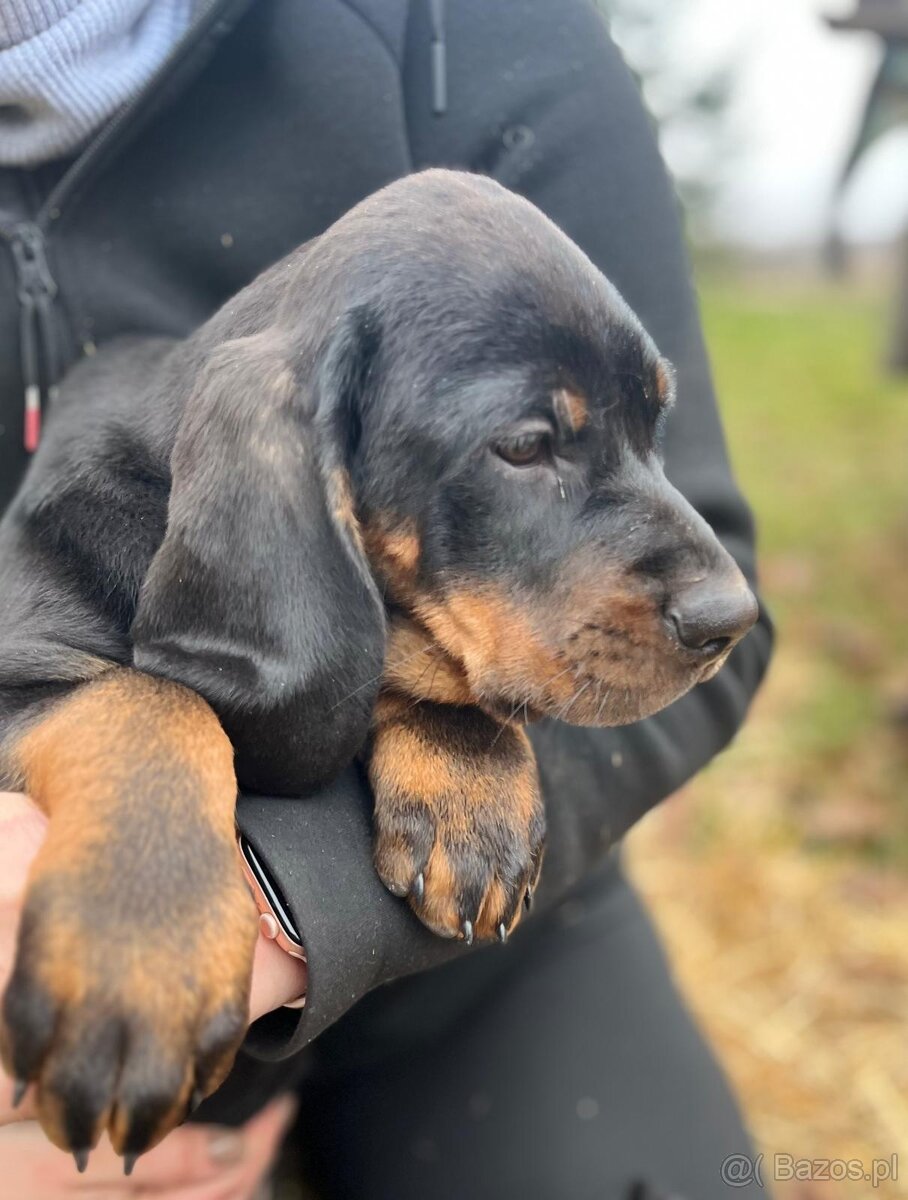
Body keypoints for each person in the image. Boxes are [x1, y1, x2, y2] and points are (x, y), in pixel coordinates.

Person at [0, 1, 773, 1197]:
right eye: (533, 444)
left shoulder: (479, 33)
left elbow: (728, 580)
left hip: (460, 928)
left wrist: (296, 880)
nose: (703, 593)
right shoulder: (183, 472)